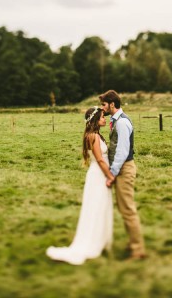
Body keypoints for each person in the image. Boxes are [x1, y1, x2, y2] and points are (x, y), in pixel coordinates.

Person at [46, 106, 115, 265]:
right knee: (96, 207)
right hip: (99, 175)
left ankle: (99, 238)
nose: (105, 119)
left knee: (101, 206)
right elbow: (99, 160)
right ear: (96, 120)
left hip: (98, 174)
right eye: (103, 117)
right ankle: (92, 240)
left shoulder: (96, 135)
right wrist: (110, 176)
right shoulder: (93, 137)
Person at [99, 90, 147, 260]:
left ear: (112, 104)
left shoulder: (122, 123)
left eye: (104, 104)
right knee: (123, 207)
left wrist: (111, 173)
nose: (102, 108)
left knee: (127, 208)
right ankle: (133, 243)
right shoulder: (116, 120)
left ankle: (138, 249)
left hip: (124, 169)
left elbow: (122, 150)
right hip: (121, 169)